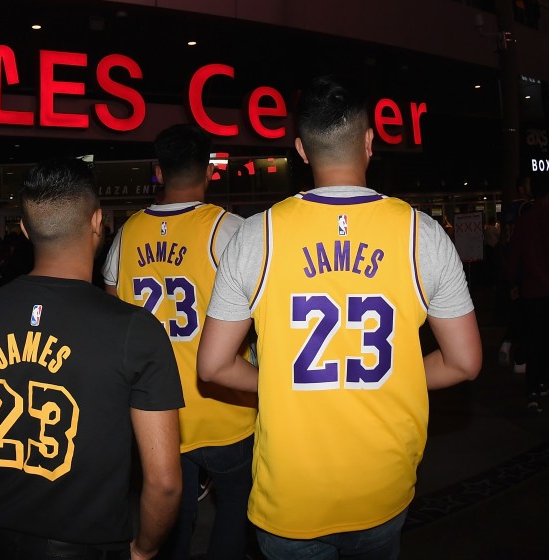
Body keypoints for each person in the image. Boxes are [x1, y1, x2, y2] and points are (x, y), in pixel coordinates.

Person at [197, 75, 482, 559]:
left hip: (290, 495)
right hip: (382, 484)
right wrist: (401, 376)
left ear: (301, 151)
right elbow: (464, 362)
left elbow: (213, 367)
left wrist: (285, 381)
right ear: (370, 142)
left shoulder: (255, 236)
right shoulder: (423, 235)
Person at [0, 158, 184, 560]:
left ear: (25, 229)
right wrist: (145, 551)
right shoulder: (135, 330)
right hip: (88, 543)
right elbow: (164, 482)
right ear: (98, 221)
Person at [101, 124, 256, 560]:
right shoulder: (232, 231)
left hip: (157, 413)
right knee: (232, 511)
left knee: (173, 517)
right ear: (209, 171)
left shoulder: (128, 233)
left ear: (157, 172)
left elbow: (115, 317)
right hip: (225, 407)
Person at [507, 174, 549, 412]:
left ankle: (533, 390)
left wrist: (513, 282)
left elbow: (515, 255)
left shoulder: (526, 220)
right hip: (543, 287)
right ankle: (542, 382)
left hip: (532, 289)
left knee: (535, 338)